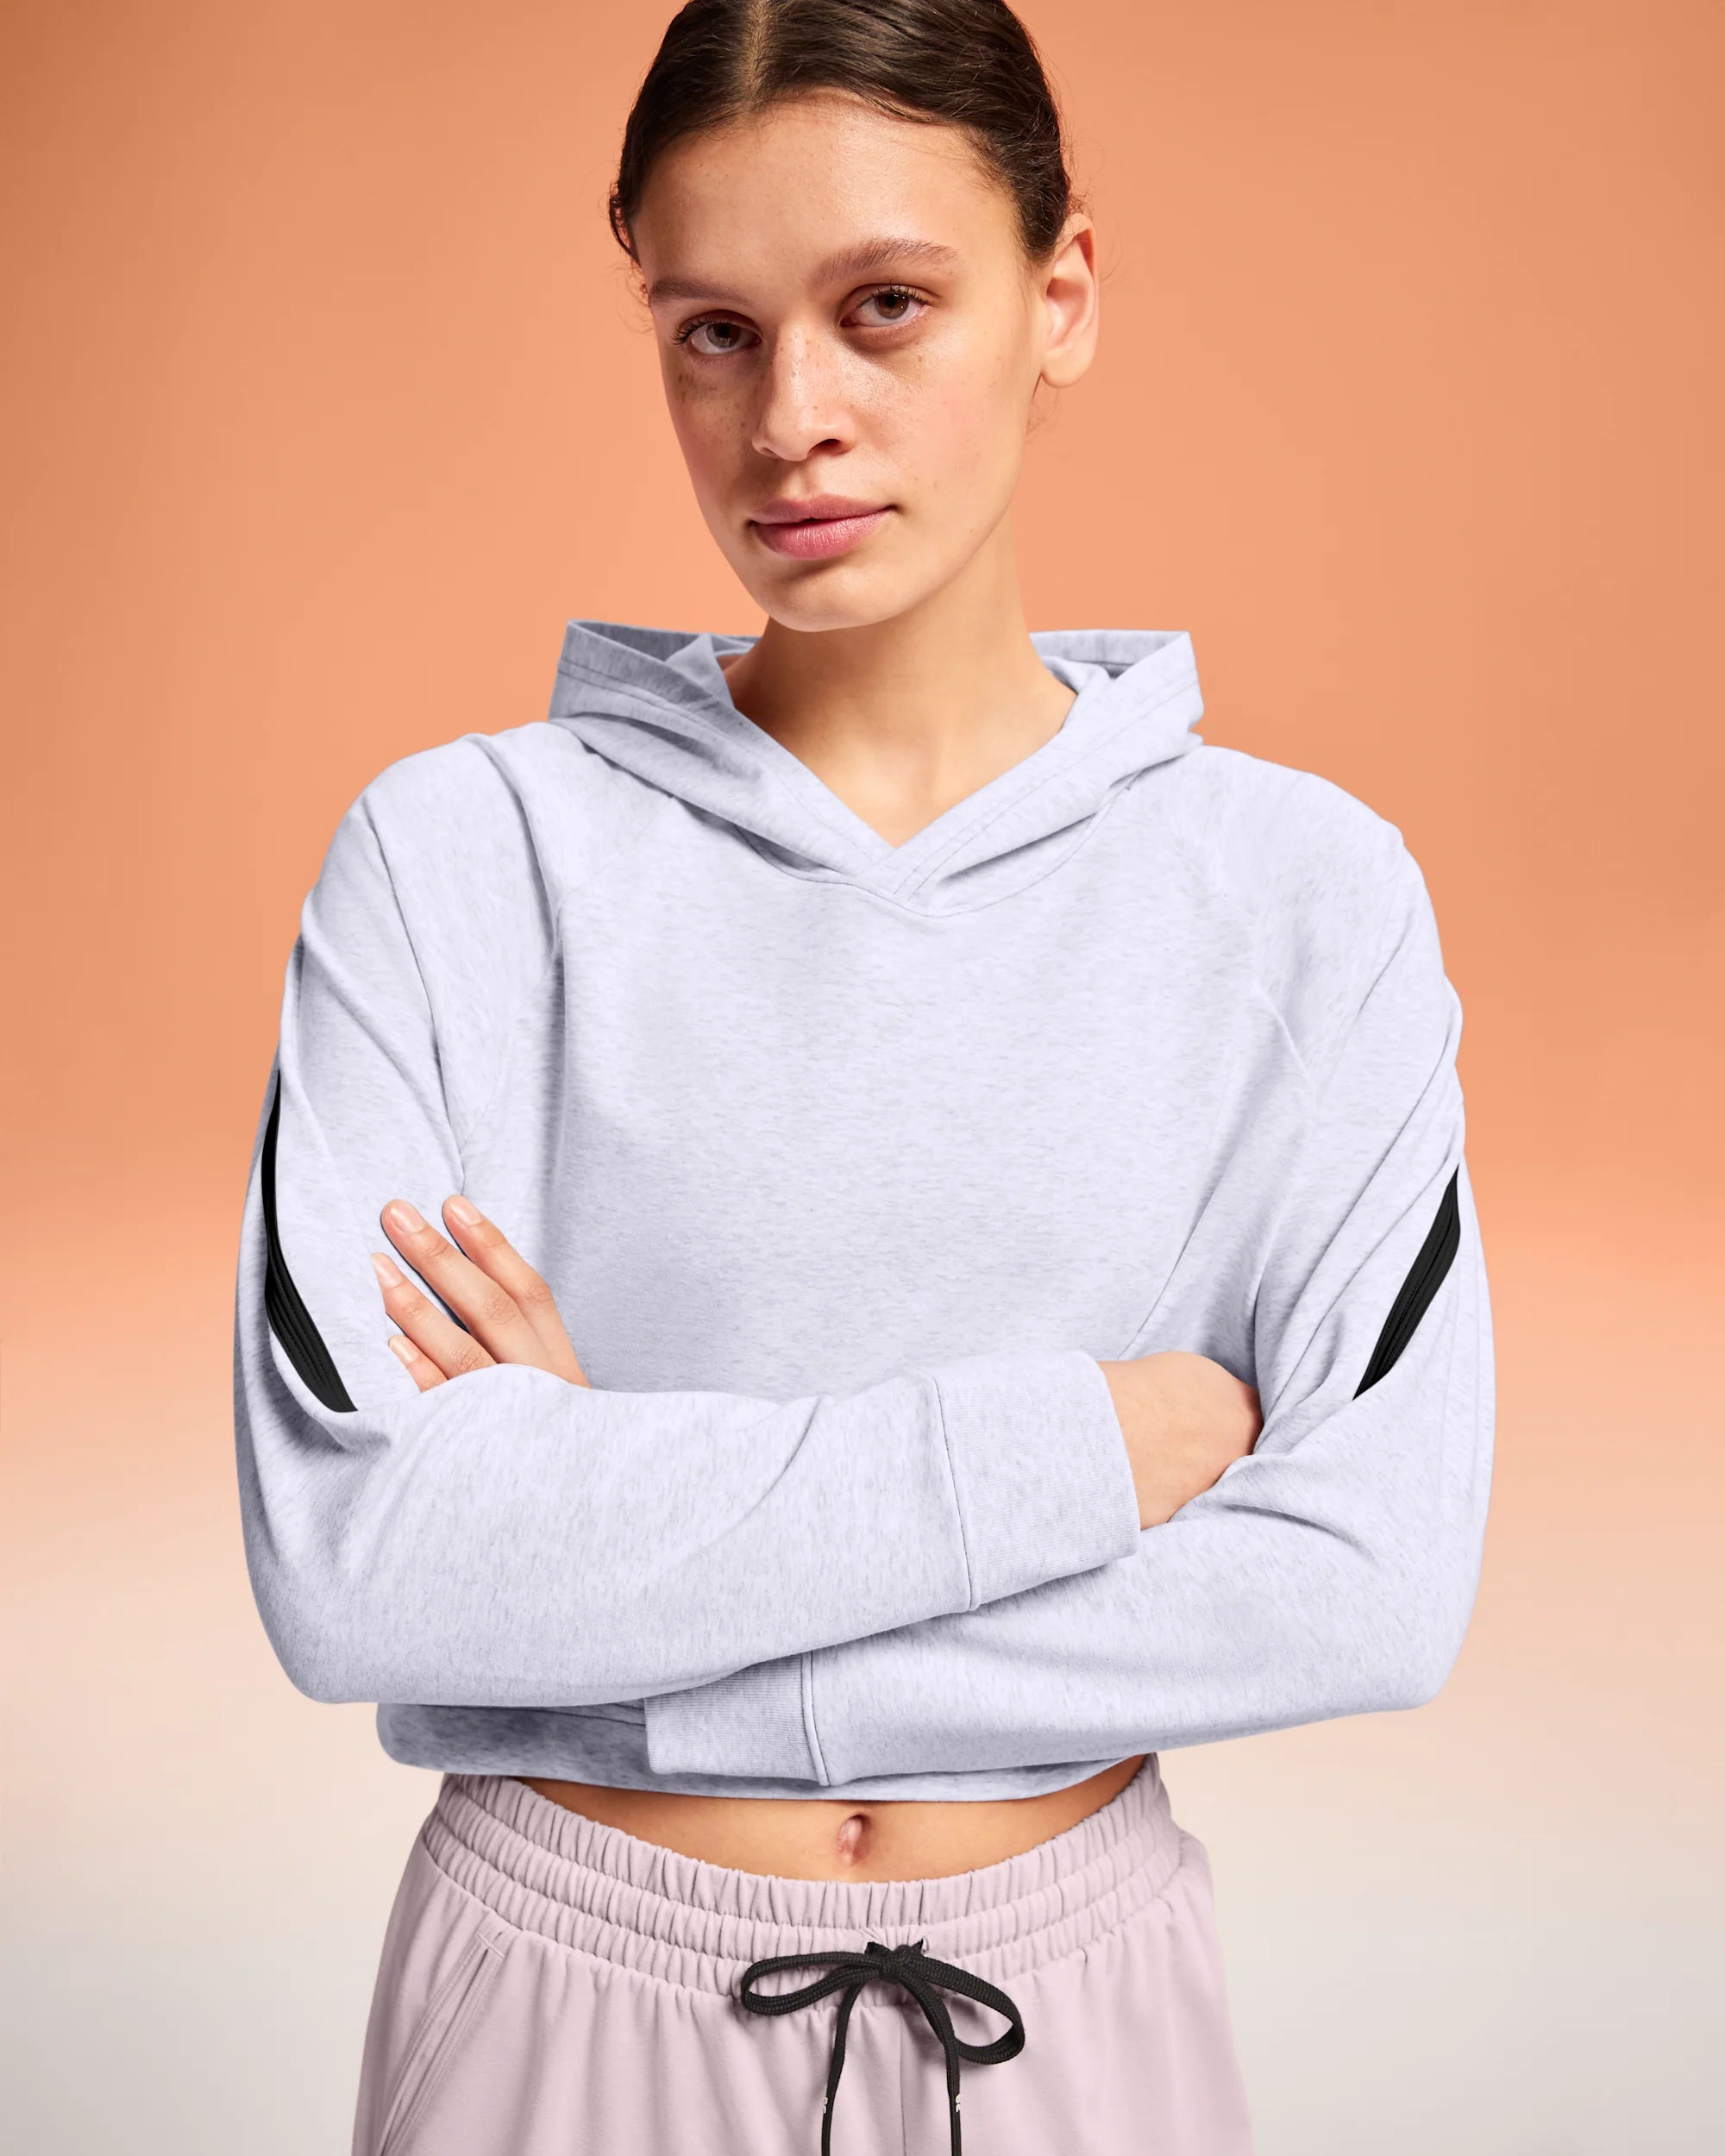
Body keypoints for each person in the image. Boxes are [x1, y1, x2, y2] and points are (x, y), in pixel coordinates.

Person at [231, 2, 1495, 2150]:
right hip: (562, 1996)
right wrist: (1083, 1448)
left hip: (1069, 2009)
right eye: (711, 333)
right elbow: (366, 1572)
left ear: (1059, 294)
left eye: (884, 306)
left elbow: (1363, 1585)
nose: (791, 418)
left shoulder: (1303, 898)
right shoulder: (460, 859)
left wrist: (589, 1546)